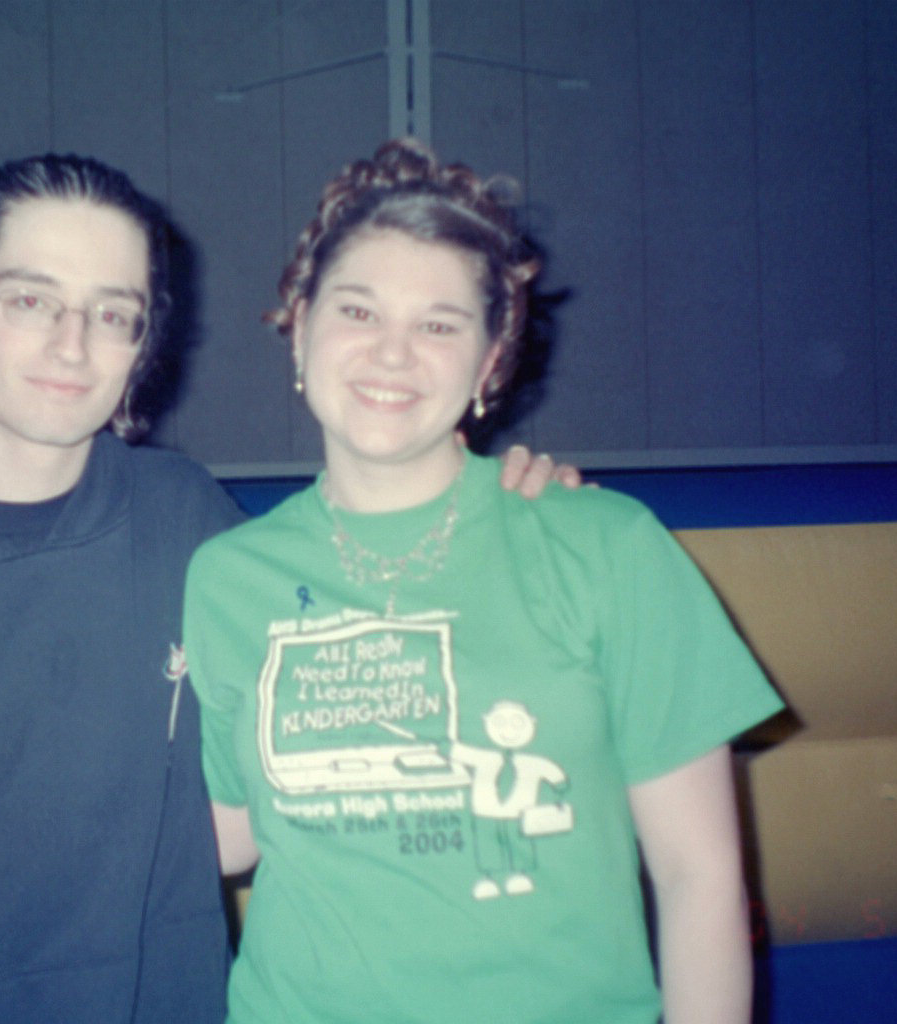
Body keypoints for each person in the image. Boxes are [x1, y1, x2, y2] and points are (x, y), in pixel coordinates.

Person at [0, 152, 574, 1023]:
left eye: (112, 313)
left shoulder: (186, 522)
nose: (71, 345)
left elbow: (363, 652)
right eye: (31, 299)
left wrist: (504, 524)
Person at [183, 139, 785, 1024]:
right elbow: (230, 835)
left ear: (490, 359)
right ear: (301, 326)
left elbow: (699, 879)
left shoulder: (605, 546)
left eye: (438, 325)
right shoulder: (229, 576)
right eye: (358, 310)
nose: (392, 353)